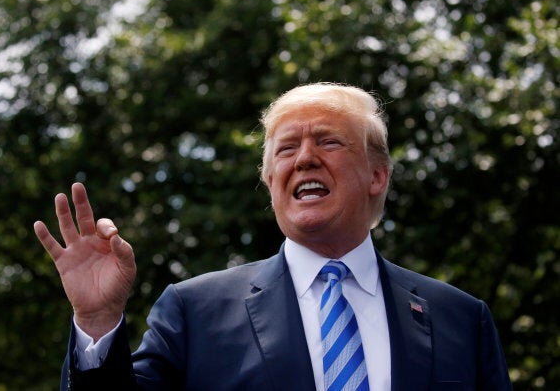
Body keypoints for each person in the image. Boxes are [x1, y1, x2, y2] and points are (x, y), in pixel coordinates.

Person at [34, 82, 512, 390]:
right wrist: (97, 323)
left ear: (377, 176)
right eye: (286, 149)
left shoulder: (462, 320)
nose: (304, 159)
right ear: (269, 182)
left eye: (328, 141)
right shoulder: (195, 311)